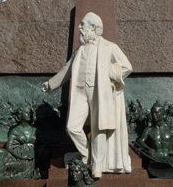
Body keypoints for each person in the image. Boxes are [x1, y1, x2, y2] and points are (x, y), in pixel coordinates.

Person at [41, 12, 132, 178]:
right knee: (72, 127)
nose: (79, 28)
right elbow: (66, 70)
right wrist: (50, 84)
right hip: (81, 92)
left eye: (83, 25)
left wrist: (107, 70)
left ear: (94, 28)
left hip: (100, 92)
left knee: (99, 129)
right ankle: (87, 154)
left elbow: (127, 67)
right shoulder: (79, 50)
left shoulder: (110, 47)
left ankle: (97, 166)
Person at [0, 107, 50, 186]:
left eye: (30, 113)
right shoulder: (15, 130)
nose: (29, 114)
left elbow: (43, 144)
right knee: (0, 152)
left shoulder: (36, 131)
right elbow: (9, 147)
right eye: (26, 112)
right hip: (18, 155)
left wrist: (38, 154)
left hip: (29, 158)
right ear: (20, 115)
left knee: (7, 165)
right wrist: (19, 156)